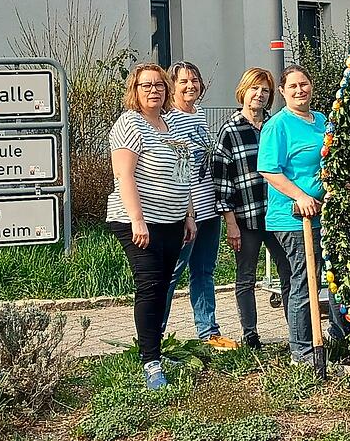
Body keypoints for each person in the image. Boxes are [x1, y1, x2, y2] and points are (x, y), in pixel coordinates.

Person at [106, 63, 196, 390]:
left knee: (164, 286)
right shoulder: (129, 124)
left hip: (172, 221)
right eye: (146, 85)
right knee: (151, 285)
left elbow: (182, 173)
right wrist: (138, 220)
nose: (154, 90)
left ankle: (155, 348)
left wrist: (188, 214)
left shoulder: (171, 123)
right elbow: (124, 175)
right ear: (135, 90)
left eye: (159, 84)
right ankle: (150, 362)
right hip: (137, 222)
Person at [258, 65, 344, 364]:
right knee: (305, 280)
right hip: (294, 217)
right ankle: (303, 350)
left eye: (304, 84)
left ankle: (338, 335)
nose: (299, 90)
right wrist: (301, 195)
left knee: (335, 277)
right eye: (292, 86)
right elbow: (269, 169)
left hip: (326, 214)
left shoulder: (321, 121)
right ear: (282, 91)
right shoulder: (278, 126)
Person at [161, 61, 238, 350]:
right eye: (183, 81)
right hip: (186, 212)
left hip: (210, 209)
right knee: (172, 272)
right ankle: (155, 335)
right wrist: (186, 213)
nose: (191, 85)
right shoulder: (170, 119)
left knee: (204, 272)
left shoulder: (200, 115)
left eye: (195, 80)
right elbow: (179, 171)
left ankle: (209, 331)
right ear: (173, 86)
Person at [213, 67, 292, 349]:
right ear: (243, 92)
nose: (259, 95)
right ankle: (250, 333)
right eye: (254, 89)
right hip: (246, 216)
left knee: (289, 271)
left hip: (276, 214)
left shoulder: (274, 126)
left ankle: (295, 329)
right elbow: (222, 181)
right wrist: (230, 223)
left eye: (265, 90)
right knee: (245, 276)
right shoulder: (230, 130)